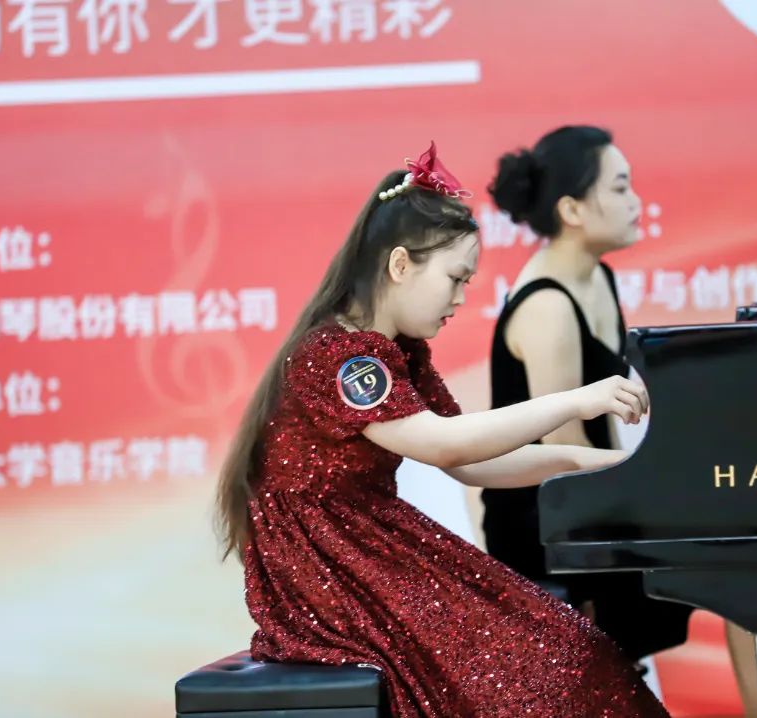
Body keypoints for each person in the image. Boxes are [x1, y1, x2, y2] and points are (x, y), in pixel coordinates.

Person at [215, 143, 671, 718]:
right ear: (400, 265)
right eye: (455, 278)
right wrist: (576, 401)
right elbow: (445, 443)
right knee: (550, 663)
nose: (461, 298)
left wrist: (590, 463)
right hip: (333, 570)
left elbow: (473, 462)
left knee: (571, 649)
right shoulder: (339, 357)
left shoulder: (397, 351)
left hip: (371, 550)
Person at [483, 125, 757, 716]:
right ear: (572, 210)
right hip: (548, 524)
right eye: (620, 187)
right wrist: (666, 490)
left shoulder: (596, 278)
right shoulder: (549, 305)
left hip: (595, 497)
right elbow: (564, 455)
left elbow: (613, 419)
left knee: (752, 548)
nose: (637, 202)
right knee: (743, 559)